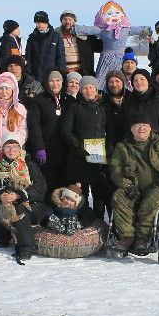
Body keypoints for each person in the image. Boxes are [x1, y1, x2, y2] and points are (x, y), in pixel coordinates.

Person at [109, 112, 159, 254]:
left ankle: (142, 238)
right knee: (118, 196)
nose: (141, 128)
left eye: (145, 125)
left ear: (150, 128)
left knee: (154, 199)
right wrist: (126, 185)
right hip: (133, 188)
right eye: (137, 125)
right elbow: (115, 169)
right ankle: (127, 237)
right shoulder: (122, 148)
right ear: (131, 129)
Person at [0, 134, 48, 263]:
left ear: (20, 149)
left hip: (32, 205)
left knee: (19, 210)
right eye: (8, 147)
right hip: (6, 204)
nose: (11, 150)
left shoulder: (29, 165)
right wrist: (1, 195)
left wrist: (19, 195)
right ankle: (4, 238)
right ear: (3, 149)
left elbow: (40, 188)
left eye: (15, 147)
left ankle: (26, 247)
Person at [61, 75, 111, 221]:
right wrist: (77, 145)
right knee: (77, 192)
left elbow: (111, 130)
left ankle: (98, 222)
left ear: (96, 89)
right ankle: (79, 221)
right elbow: (66, 130)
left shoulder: (103, 108)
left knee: (98, 194)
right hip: (78, 157)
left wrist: (108, 150)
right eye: (85, 88)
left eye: (91, 87)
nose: (88, 90)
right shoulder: (75, 107)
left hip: (97, 157)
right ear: (81, 90)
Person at [27, 69, 73, 203]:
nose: (55, 83)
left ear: (62, 82)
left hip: (65, 150)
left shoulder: (69, 100)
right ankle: (47, 212)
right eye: (52, 80)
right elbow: (34, 126)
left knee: (64, 185)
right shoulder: (38, 100)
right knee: (49, 185)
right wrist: (39, 148)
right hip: (47, 150)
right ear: (47, 82)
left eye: (58, 80)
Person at [123, 69, 159, 138]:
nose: (139, 82)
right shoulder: (127, 103)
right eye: (135, 80)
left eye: (142, 79)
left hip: (155, 145)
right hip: (130, 146)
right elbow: (121, 127)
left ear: (148, 82)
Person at [58, 9, 102, 76]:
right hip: (64, 73)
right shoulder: (56, 36)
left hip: (82, 72)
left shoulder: (85, 36)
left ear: (74, 21)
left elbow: (100, 47)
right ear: (61, 21)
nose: (67, 22)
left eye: (70, 19)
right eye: (65, 19)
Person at [25, 11, 65, 83]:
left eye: (40, 23)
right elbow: (28, 57)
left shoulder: (56, 37)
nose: (38, 25)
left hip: (51, 77)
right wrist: (28, 74)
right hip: (35, 77)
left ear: (46, 23)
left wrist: (60, 73)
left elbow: (61, 57)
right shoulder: (32, 38)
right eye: (36, 23)